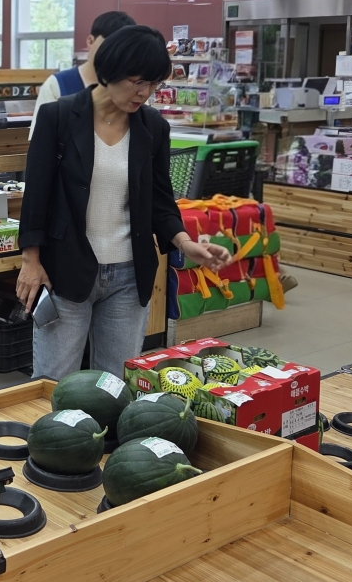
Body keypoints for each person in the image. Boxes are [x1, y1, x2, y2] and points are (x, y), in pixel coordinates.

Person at [16, 25, 230, 380]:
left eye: (153, 84)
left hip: (130, 275)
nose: (144, 93)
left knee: (115, 384)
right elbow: (36, 194)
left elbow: (160, 200)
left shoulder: (153, 127)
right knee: (54, 382)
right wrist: (30, 260)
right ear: (110, 70)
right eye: (137, 81)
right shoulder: (59, 117)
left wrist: (184, 243)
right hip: (65, 271)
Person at [29, 11, 136, 138]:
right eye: (108, 46)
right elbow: (39, 140)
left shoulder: (132, 87)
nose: (115, 55)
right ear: (90, 41)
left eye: (123, 50)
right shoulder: (57, 84)